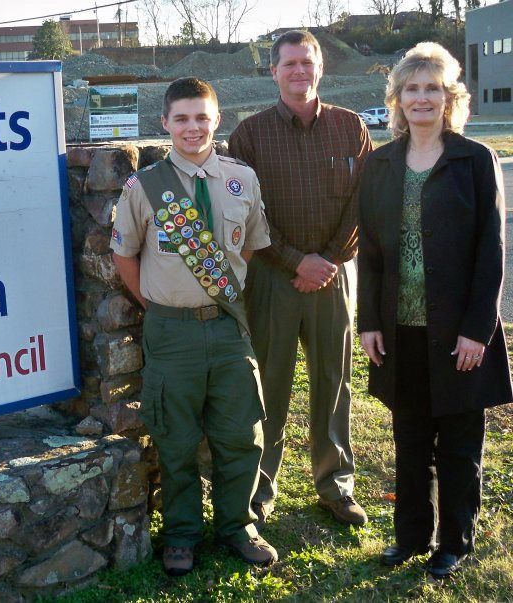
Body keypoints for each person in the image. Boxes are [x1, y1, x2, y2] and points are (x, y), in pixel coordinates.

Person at [357, 42, 511, 579]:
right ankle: (411, 537)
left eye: (433, 88)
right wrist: (369, 321)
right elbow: (371, 253)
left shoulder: (475, 159)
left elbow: (491, 252)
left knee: (460, 442)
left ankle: (454, 541)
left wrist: (478, 330)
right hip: (400, 329)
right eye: (412, 88)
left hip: (458, 332)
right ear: (397, 99)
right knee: (411, 438)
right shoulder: (378, 164)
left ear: (450, 98)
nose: (422, 98)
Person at [110, 77, 275, 576]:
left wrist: (214, 295)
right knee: (176, 437)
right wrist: (161, 303)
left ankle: (237, 525)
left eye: (201, 117)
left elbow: (247, 247)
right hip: (171, 332)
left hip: (227, 327)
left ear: (217, 120)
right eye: (181, 118)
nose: (192, 127)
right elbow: (124, 255)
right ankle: (181, 533)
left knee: (240, 433)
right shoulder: (145, 187)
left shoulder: (241, 179)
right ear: (165, 123)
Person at [228, 30, 372, 527]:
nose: (299, 72)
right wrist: (295, 262)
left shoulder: (351, 127)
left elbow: (362, 204)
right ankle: (260, 486)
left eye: (307, 63)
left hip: (333, 277)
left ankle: (335, 485)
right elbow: (245, 214)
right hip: (272, 278)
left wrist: (327, 260)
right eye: (289, 64)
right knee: (269, 383)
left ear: (320, 68)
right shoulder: (249, 135)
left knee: (333, 381)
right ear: (273, 72)